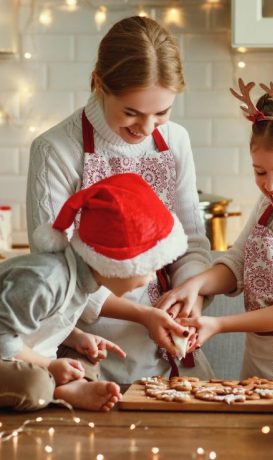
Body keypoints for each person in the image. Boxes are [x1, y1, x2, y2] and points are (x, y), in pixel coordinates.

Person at [26, 16, 213, 383]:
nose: (146, 128)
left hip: (167, 340)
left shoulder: (175, 141)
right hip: (85, 345)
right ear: (99, 82)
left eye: (162, 113)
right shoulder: (56, 149)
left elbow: (192, 241)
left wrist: (191, 295)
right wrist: (141, 315)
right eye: (131, 112)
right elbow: (55, 271)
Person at [157, 78, 273, 380]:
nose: (270, 185)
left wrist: (219, 324)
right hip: (257, 365)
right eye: (260, 171)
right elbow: (237, 264)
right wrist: (194, 285)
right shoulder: (265, 207)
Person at [1, 173, 188, 411]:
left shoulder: (82, 280)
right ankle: (57, 388)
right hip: (5, 350)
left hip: (21, 353)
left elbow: (41, 320)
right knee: (34, 384)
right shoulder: (45, 279)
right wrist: (48, 365)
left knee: (87, 358)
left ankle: (66, 385)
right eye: (148, 267)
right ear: (116, 262)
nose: (152, 276)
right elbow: (3, 339)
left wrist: (75, 336)